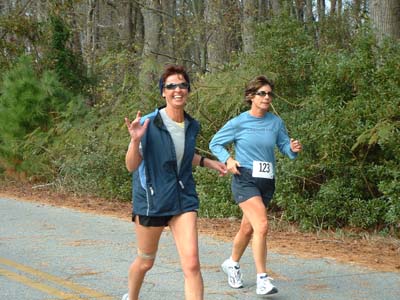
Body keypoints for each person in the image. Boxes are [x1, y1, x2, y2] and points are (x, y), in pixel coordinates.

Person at [122, 65, 227, 300]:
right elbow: (131, 165)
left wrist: (209, 163)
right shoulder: (148, 124)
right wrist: (134, 141)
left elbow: (181, 154)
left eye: (182, 85)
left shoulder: (192, 125)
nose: (177, 90)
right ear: (163, 92)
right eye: (171, 86)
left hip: (183, 198)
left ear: (188, 90)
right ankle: (132, 296)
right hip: (153, 200)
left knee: (192, 265)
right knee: (145, 261)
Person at [209, 75, 302, 296]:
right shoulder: (239, 122)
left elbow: (285, 149)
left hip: (267, 181)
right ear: (251, 96)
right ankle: (262, 278)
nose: (267, 97)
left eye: (270, 93)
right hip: (245, 178)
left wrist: (293, 149)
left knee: (248, 228)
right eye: (262, 93)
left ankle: (232, 263)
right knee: (261, 225)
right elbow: (215, 143)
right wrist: (229, 160)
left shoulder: (275, 123)